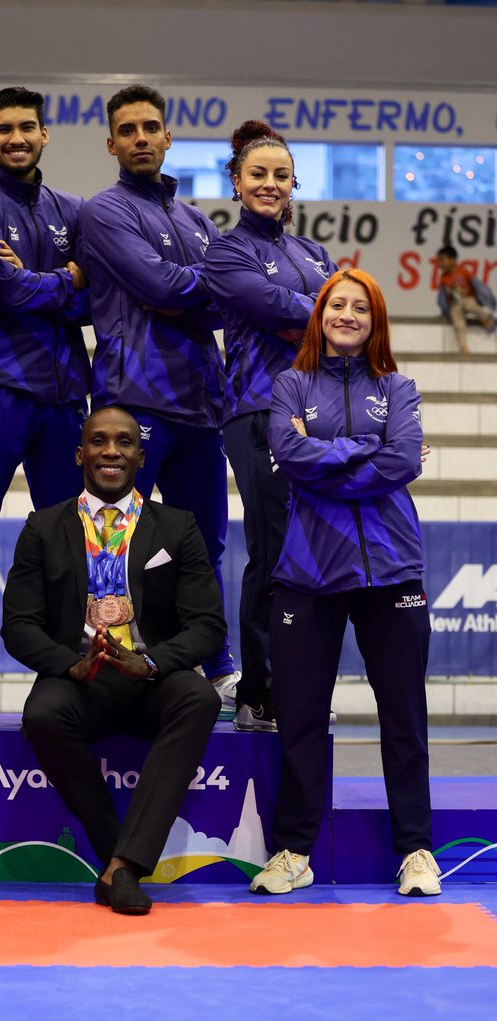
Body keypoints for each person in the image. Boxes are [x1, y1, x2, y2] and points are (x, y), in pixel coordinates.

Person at [250, 268, 440, 898]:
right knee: (302, 719)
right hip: (308, 571)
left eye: (361, 307)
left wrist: (327, 456)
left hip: (391, 570)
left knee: (404, 717)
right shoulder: (290, 384)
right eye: (338, 305)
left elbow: (404, 458)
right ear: (320, 314)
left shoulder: (400, 386)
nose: (349, 315)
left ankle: (415, 849)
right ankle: (293, 851)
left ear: (375, 319)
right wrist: (365, 453)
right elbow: (288, 457)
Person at [2, 406, 226, 916]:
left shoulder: (177, 527)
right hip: (79, 677)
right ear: (80, 454)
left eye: (124, 442)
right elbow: (18, 625)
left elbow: (208, 625)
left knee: (198, 696)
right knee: (41, 714)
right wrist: (67, 664)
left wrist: (151, 664)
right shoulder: (42, 527)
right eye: (99, 441)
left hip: (151, 678)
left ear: (140, 457)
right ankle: (120, 859)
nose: (111, 451)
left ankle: (122, 867)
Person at [79, 84, 239, 716]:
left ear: (168, 137)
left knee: (206, 545)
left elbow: (228, 299)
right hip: (133, 400)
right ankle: (106, 663)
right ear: (112, 143)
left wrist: (198, 292)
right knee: (116, 539)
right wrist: (207, 289)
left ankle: (218, 666)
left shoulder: (198, 221)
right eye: (128, 130)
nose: (141, 138)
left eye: (151, 127)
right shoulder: (104, 211)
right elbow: (162, 286)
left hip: (201, 401)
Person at [205, 120, 337, 733]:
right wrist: (325, 318)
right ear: (236, 182)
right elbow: (290, 315)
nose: (269, 184)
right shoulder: (227, 251)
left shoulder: (315, 254)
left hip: (321, 418)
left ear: (293, 184)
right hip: (259, 410)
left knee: (312, 554)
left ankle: (299, 683)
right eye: (257, 174)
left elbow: (344, 321)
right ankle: (259, 692)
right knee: (274, 551)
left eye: (280, 175)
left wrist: (324, 321)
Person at [0, 85, 91, 622]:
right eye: (5, 130)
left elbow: (96, 300)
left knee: (71, 547)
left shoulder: (74, 209)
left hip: (63, 400)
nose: (17, 139)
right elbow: (5, 292)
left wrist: (36, 282)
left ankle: (67, 679)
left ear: (44, 134)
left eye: (27, 128)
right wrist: (67, 277)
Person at [435, 244, 496, 354]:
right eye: (439, 261)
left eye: (442, 260)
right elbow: (443, 297)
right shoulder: (444, 278)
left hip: (468, 299)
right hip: (456, 304)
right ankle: (463, 347)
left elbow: (478, 286)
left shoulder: (463, 271)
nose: (440, 264)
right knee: (458, 322)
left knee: (471, 305)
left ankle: (486, 318)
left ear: (453, 259)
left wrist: (487, 300)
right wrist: (445, 310)